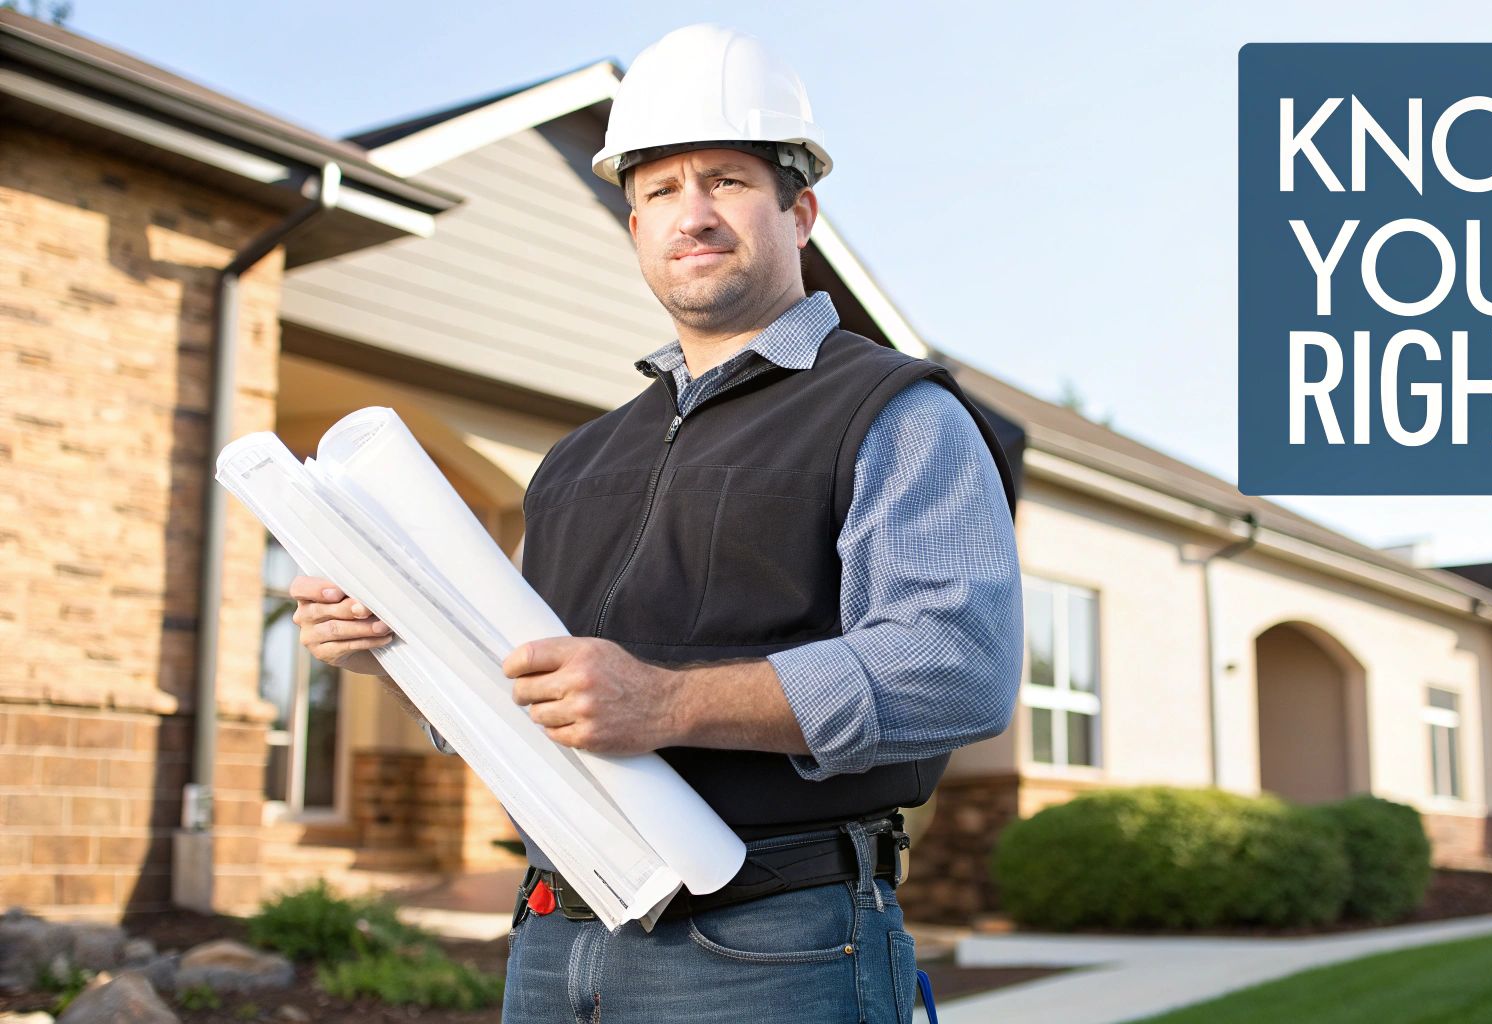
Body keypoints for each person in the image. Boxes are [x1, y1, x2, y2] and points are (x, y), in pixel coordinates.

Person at [288, 23, 1022, 1023]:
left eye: (724, 181)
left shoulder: (890, 412)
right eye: (660, 191)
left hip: (774, 939)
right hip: (552, 932)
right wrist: (392, 646)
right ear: (633, 228)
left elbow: (955, 662)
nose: (693, 213)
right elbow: (528, 677)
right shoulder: (578, 460)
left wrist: (667, 703)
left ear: (798, 210)